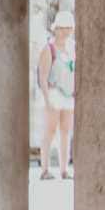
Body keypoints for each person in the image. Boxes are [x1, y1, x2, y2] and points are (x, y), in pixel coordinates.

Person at [36, 10, 76, 181]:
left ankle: (64, 169)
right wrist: (46, 99)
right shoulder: (49, 48)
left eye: (69, 28)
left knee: (66, 132)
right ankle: (45, 169)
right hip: (53, 93)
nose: (65, 31)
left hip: (68, 95)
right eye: (62, 27)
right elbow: (43, 76)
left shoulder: (72, 49)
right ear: (56, 29)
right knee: (50, 131)